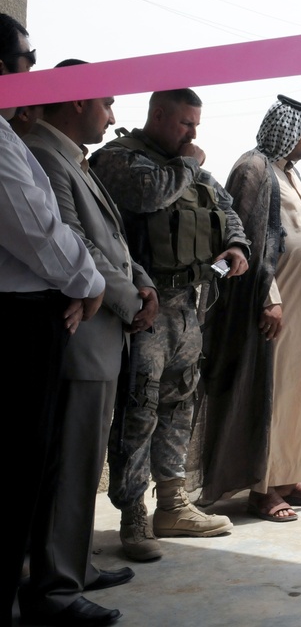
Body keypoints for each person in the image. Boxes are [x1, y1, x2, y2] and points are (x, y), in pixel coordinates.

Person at [19, 61, 158, 624]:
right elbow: (76, 245)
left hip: (103, 332)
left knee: (82, 461)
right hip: (83, 334)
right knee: (69, 465)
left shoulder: (70, 157)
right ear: (77, 101)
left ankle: (75, 564)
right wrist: (133, 300)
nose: (113, 114)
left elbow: (114, 242)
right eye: (107, 103)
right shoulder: (44, 155)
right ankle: (56, 582)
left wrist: (141, 283)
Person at [91, 88, 247, 558]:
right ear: (158, 115)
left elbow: (229, 210)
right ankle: (132, 513)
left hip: (189, 307)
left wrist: (237, 247)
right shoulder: (120, 159)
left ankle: (173, 503)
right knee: (139, 409)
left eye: (196, 125)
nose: (193, 134)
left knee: (179, 406)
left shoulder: (191, 165)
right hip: (143, 309)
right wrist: (187, 163)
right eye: (185, 123)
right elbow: (147, 195)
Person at [1, 13, 111, 626]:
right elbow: (42, 232)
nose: (31, 74)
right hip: (18, 323)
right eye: (26, 60)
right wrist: (90, 283)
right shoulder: (11, 145)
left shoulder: (13, 138)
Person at [200, 95, 301, 522]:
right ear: (286, 129)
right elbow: (247, 240)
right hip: (279, 307)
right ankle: (263, 488)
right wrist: (268, 296)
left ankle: (291, 475)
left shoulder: (291, 174)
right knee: (273, 395)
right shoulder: (253, 169)